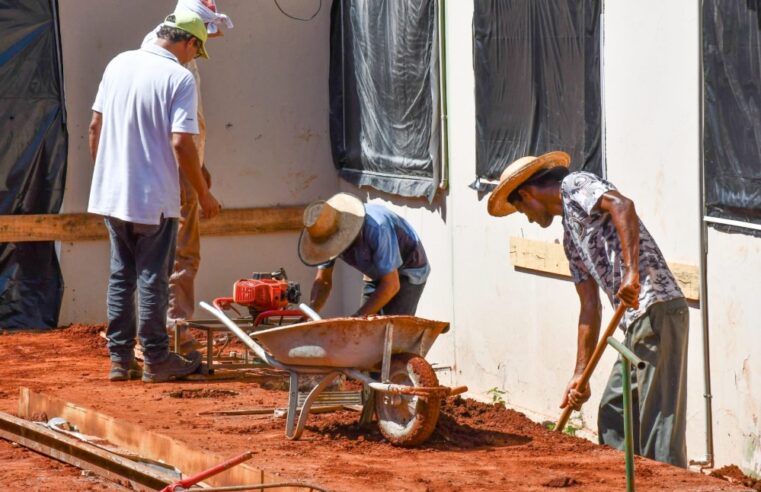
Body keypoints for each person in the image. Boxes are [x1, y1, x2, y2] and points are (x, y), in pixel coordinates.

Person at [487, 151, 689, 467]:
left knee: (658, 421)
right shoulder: (571, 238)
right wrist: (580, 373)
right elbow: (589, 307)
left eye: (520, 208)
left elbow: (623, 206)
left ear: (526, 194)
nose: (526, 217)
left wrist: (630, 271)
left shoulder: (575, 185)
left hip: (657, 307)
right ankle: (622, 481)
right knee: (615, 412)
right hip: (635, 323)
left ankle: (670, 484)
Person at [88, 10, 221, 383]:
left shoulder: (119, 63)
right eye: (197, 51)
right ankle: (157, 358)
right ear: (189, 42)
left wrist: (107, 176)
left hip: (112, 196)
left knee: (121, 275)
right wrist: (203, 193)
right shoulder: (178, 77)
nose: (194, 58)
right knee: (152, 278)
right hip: (155, 199)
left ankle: (119, 359)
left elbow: (95, 126)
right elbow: (182, 143)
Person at [142, 0, 234, 354]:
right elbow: (178, 135)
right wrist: (199, 186)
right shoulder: (174, 63)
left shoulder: (171, 54)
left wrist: (201, 166)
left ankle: (160, 333)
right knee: (183, 252)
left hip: (178, 166)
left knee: (162, 254)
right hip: (175, 169)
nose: (210, 39)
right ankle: (174, 332)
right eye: (205, 32)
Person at [298, 193, 430, 316]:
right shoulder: (325, 232)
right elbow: (323, 280)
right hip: (375, 270)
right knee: (363, 330)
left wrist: (358, 317)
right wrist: (311, 313)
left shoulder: (378, 228)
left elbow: (391, 285)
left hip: (408, 268)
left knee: (394, 330)